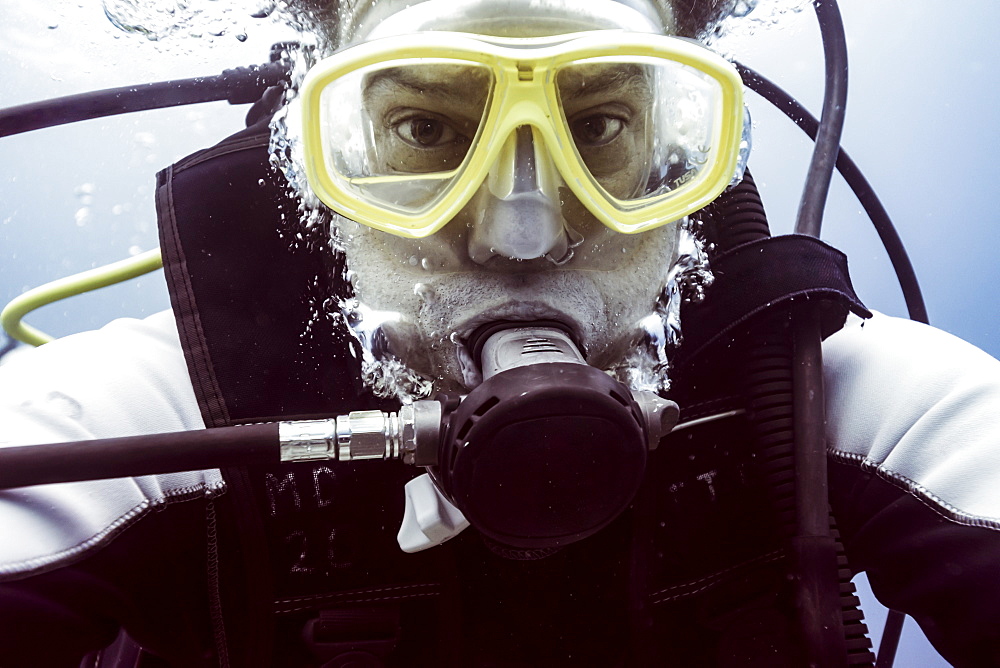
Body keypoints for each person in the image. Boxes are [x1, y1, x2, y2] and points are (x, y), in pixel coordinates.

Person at [1, 0, 999, 666]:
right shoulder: (142, 421)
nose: (519, 231)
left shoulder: (842, 396)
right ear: (316, 167)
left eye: (601, 125)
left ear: (683, 149)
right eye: (428, 130)